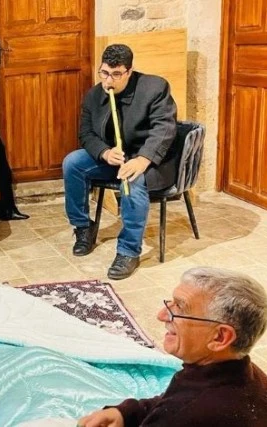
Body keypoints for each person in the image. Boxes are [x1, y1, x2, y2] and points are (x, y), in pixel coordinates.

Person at [78, 267, 267, 427]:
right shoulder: (251, 376)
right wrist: (126, 413)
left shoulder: (190, 413)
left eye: (180, 308)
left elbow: (179, 409)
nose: (162, 315)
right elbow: (171, 402)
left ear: (220, 337)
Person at [62, 44, 178, 280]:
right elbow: (85, 133)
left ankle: (128, 251)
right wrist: (104, 152)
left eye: (116, 74)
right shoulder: (94, 95)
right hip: (114, 158)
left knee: (131, 181)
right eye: (104, 73)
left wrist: (142, 160)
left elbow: (164, 129)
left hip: (149, 161)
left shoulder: (154, 87)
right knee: (72, 163)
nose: (108, 81)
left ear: (129, 71)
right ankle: (83, 228)